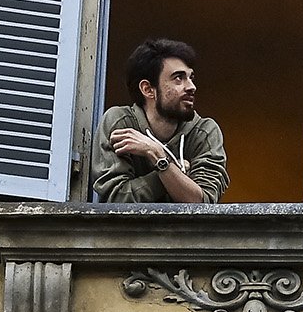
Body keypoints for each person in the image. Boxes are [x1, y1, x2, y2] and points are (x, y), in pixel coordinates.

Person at [92, 38, 230, 204]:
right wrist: (175, 171)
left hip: (184, 231)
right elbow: (116, 200)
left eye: (191, 77)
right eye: (178, 78)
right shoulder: (120, 122)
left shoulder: (205, 132)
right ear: (148, 89)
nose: (191, 86)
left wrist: (158, 156)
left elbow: (202, 204)